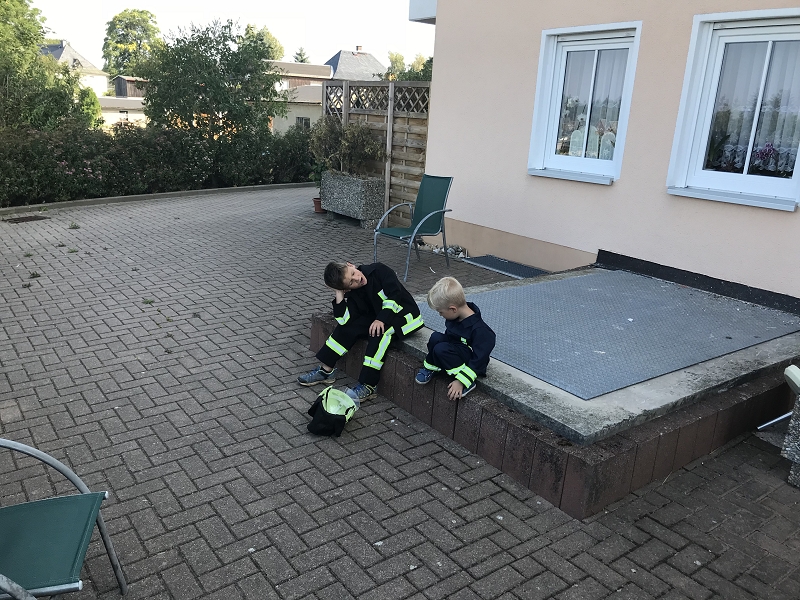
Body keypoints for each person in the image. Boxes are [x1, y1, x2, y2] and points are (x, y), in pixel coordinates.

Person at [298, 261, 424, 401]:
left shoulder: (379, 270)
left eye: (353, 273)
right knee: (348, 327)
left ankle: (368, 385)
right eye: (351, 283)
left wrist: (381, 319)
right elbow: (343, 320)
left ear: (351, 265)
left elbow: (395, 295)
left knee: (379, 333)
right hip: (378, 316)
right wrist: (339, 292)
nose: (357, 279)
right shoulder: (353, 292)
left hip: (406, 317)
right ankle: (326, 371)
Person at [415, 276, 496, 401]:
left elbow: (479, 359)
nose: (440, 315)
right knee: (436, 337)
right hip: (456, 351)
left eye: (441, 312)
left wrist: (461, 381)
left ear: (453, 309)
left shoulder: (481, 330)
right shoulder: (456, 317)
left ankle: (467, 382)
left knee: (441, 349)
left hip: (471, 364)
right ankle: (433, 367)